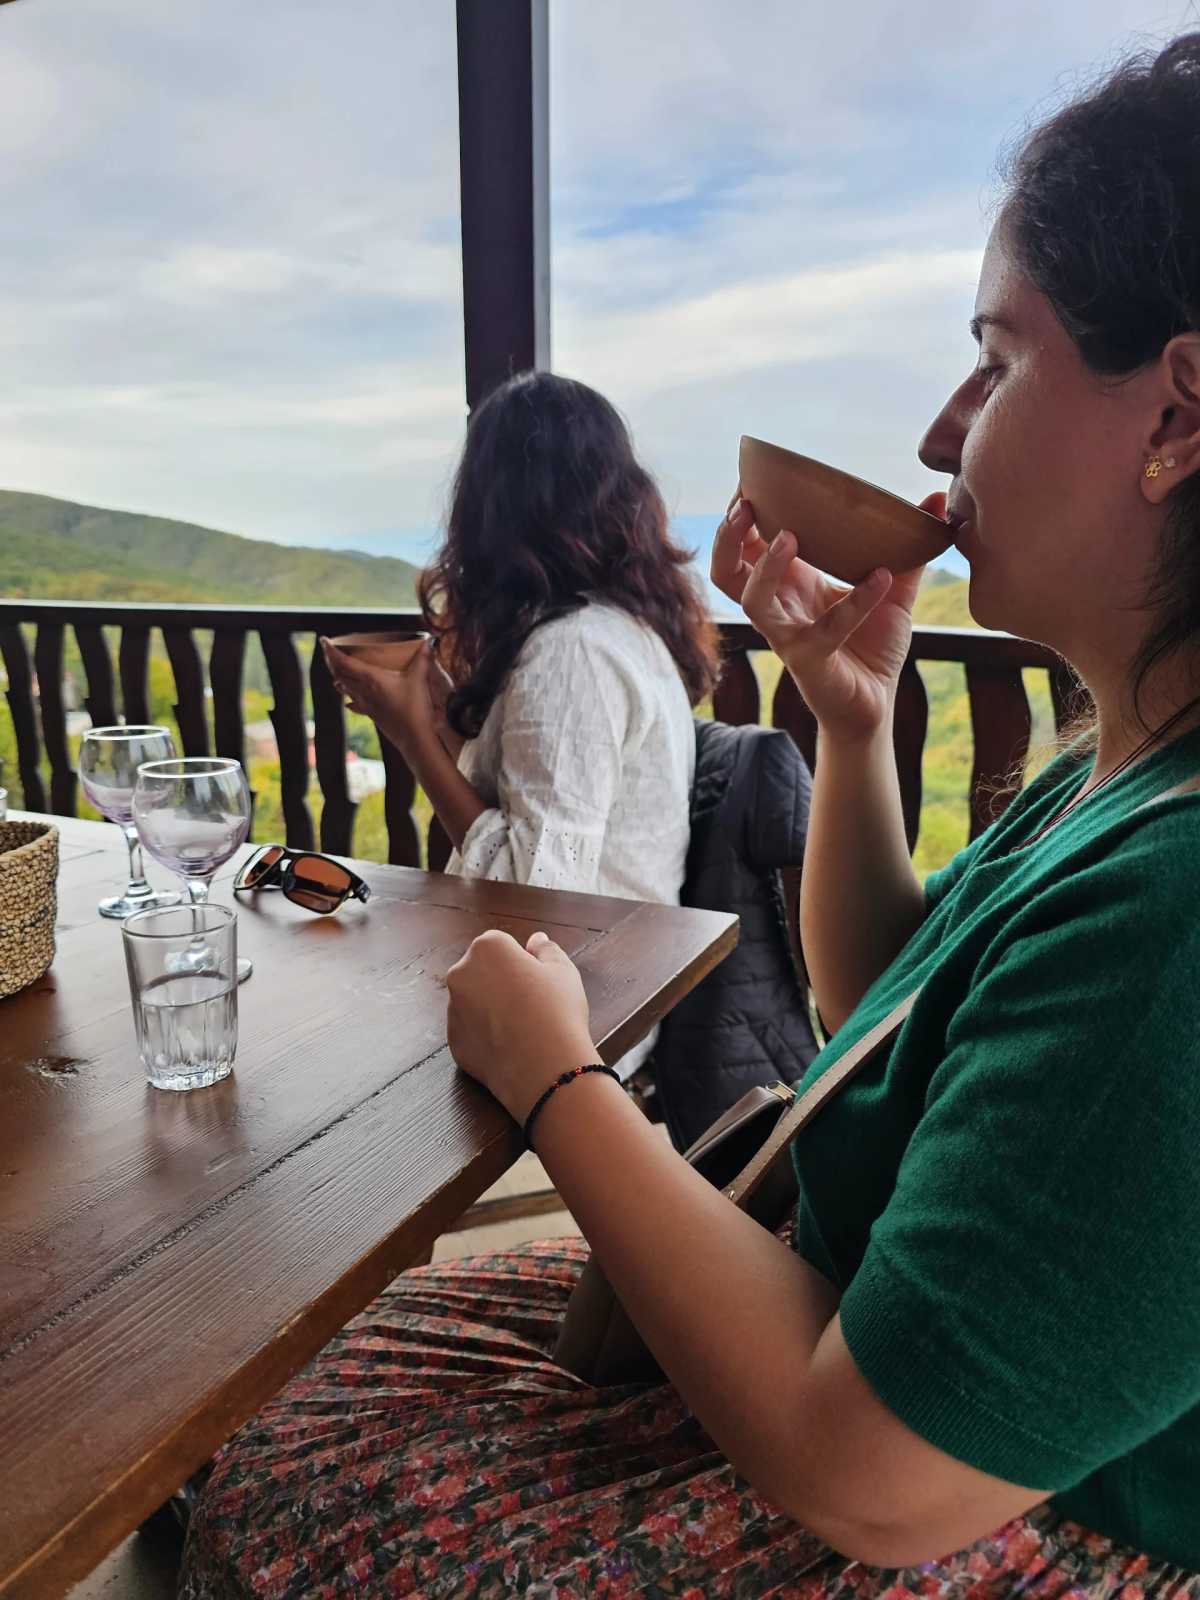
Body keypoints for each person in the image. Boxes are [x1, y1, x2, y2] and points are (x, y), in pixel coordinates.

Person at [182, 37, 1200, 1598]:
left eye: (998, 363)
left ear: (1180, 417)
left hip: (995, 1502)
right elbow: (885, 1001)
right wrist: (851, 725)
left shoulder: (1180, 902)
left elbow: (874, 1480)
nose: (941, 437)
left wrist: (558, 1078)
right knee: (296, 1391)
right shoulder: (1114, 768)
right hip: (859, 1322)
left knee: (281, 1499)